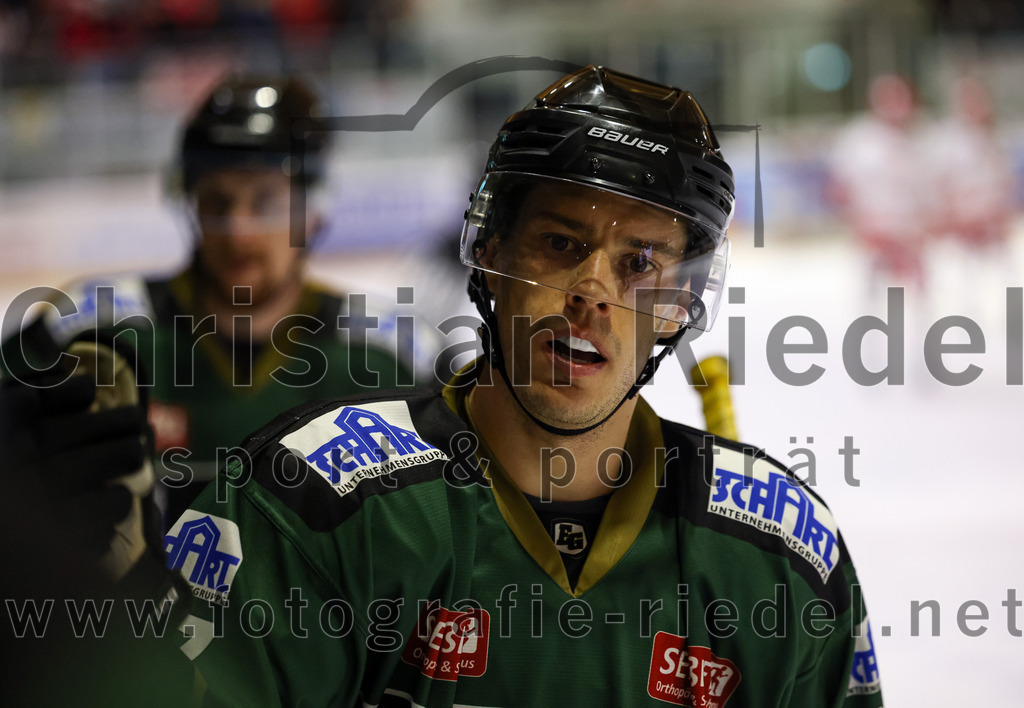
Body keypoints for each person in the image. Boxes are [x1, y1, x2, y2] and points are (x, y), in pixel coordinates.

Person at [137, 65, 883, 707]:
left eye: (639, 264)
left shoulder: (782, 556)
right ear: (489, 255)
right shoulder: (309, 506)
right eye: (561, 245)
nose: (591, 292)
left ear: (681, 306)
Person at [1, 73, 417, 525]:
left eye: (265, 203)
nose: (238, 231)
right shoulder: (84, 329)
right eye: (216, 202)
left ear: (313, 210)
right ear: (190, 202)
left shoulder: (393, 353)